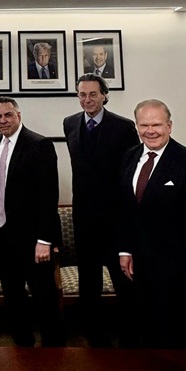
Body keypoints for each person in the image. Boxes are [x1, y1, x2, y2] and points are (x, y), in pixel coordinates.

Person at [119, 99, 186, 349]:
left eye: (157, 125)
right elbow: (126, 210)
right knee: (149, 338)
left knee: (180, 342)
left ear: (169, 126)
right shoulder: (129, 158)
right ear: (137, 126)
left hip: (178, 273)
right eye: (144, 125)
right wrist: (125, 250)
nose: (150, 131)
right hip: (140, 269)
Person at [63, 74, 139, 346]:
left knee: (123, 279)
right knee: (89, 280)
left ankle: (130, 336)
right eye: (82, 94)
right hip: (83, 218)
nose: (87, 100)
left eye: (93, 94)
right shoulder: (70, 123)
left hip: (114, 219)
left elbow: (130, 173)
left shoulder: (124, 127)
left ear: (105, 95)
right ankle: (94, 337)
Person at [0, 97, 64, 346]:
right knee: (13, 295)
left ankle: (54, 350)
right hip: (1, 235)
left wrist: (45, 239)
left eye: (8, 115)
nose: (3, 120)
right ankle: (23, 347)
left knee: (44, 296)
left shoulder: (39, 145)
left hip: (33, 240)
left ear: (19, 116)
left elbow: (49, 196)